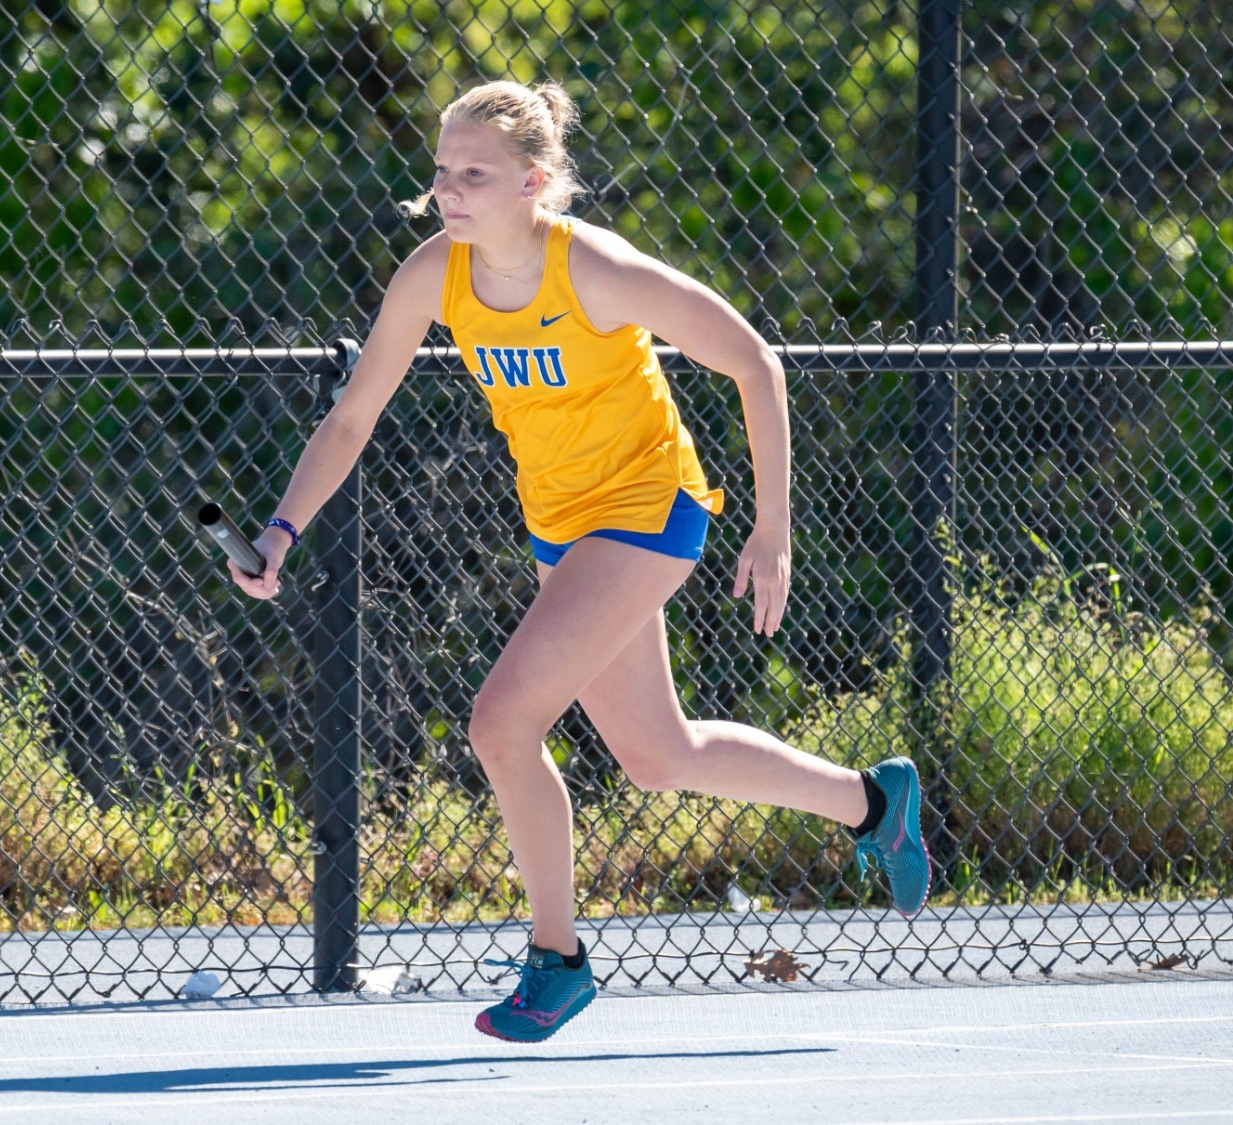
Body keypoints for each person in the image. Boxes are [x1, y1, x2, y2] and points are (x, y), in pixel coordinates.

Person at [228, 79, 929, 1041]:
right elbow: (353, 416)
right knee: (656, 753)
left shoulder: (594, 269)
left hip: (650, 507)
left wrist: (774, 527)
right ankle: (873, 802)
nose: (450, 190)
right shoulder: (433, 276)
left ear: (535, 181)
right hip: (562, 525)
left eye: (474, 173)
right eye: (441, 171)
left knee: (501, 720)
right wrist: (280, 531)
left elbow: (754, 362)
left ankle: (557, 958)